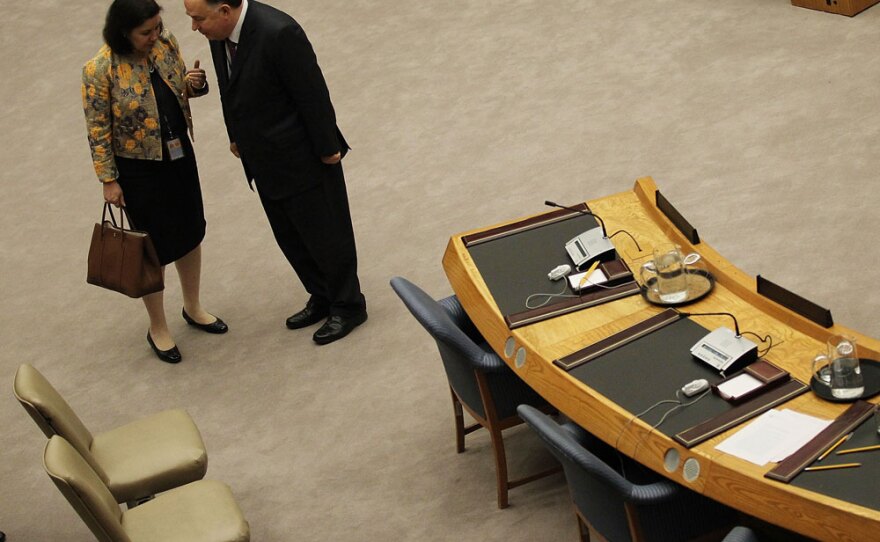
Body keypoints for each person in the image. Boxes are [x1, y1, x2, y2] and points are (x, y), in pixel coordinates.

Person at [183, 0, 367, 345]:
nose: (194, 27)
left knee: (327, 233)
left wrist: (328, 148)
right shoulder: (218, 34)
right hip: (262, 158)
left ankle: (348, 304)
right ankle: (322, 294)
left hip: (304, 155)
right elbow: (229, 88)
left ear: (224, 11)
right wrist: (235, 136)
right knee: (290, 235)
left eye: (198, 19)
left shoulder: (279, 32)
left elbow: (312, 94)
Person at [83, 0, 228, 364]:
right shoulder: (100, 69)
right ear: (123, 32)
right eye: (146, 32)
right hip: (139, 171)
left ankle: (193, 307)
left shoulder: (166, 44)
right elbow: (97, 129)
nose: (154, 36)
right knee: (153, 247)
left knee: (191, 230)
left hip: (179, 157)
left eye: (157, 28)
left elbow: (179, 90)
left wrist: (195, 84)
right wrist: (108, 179)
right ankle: (158, 326)